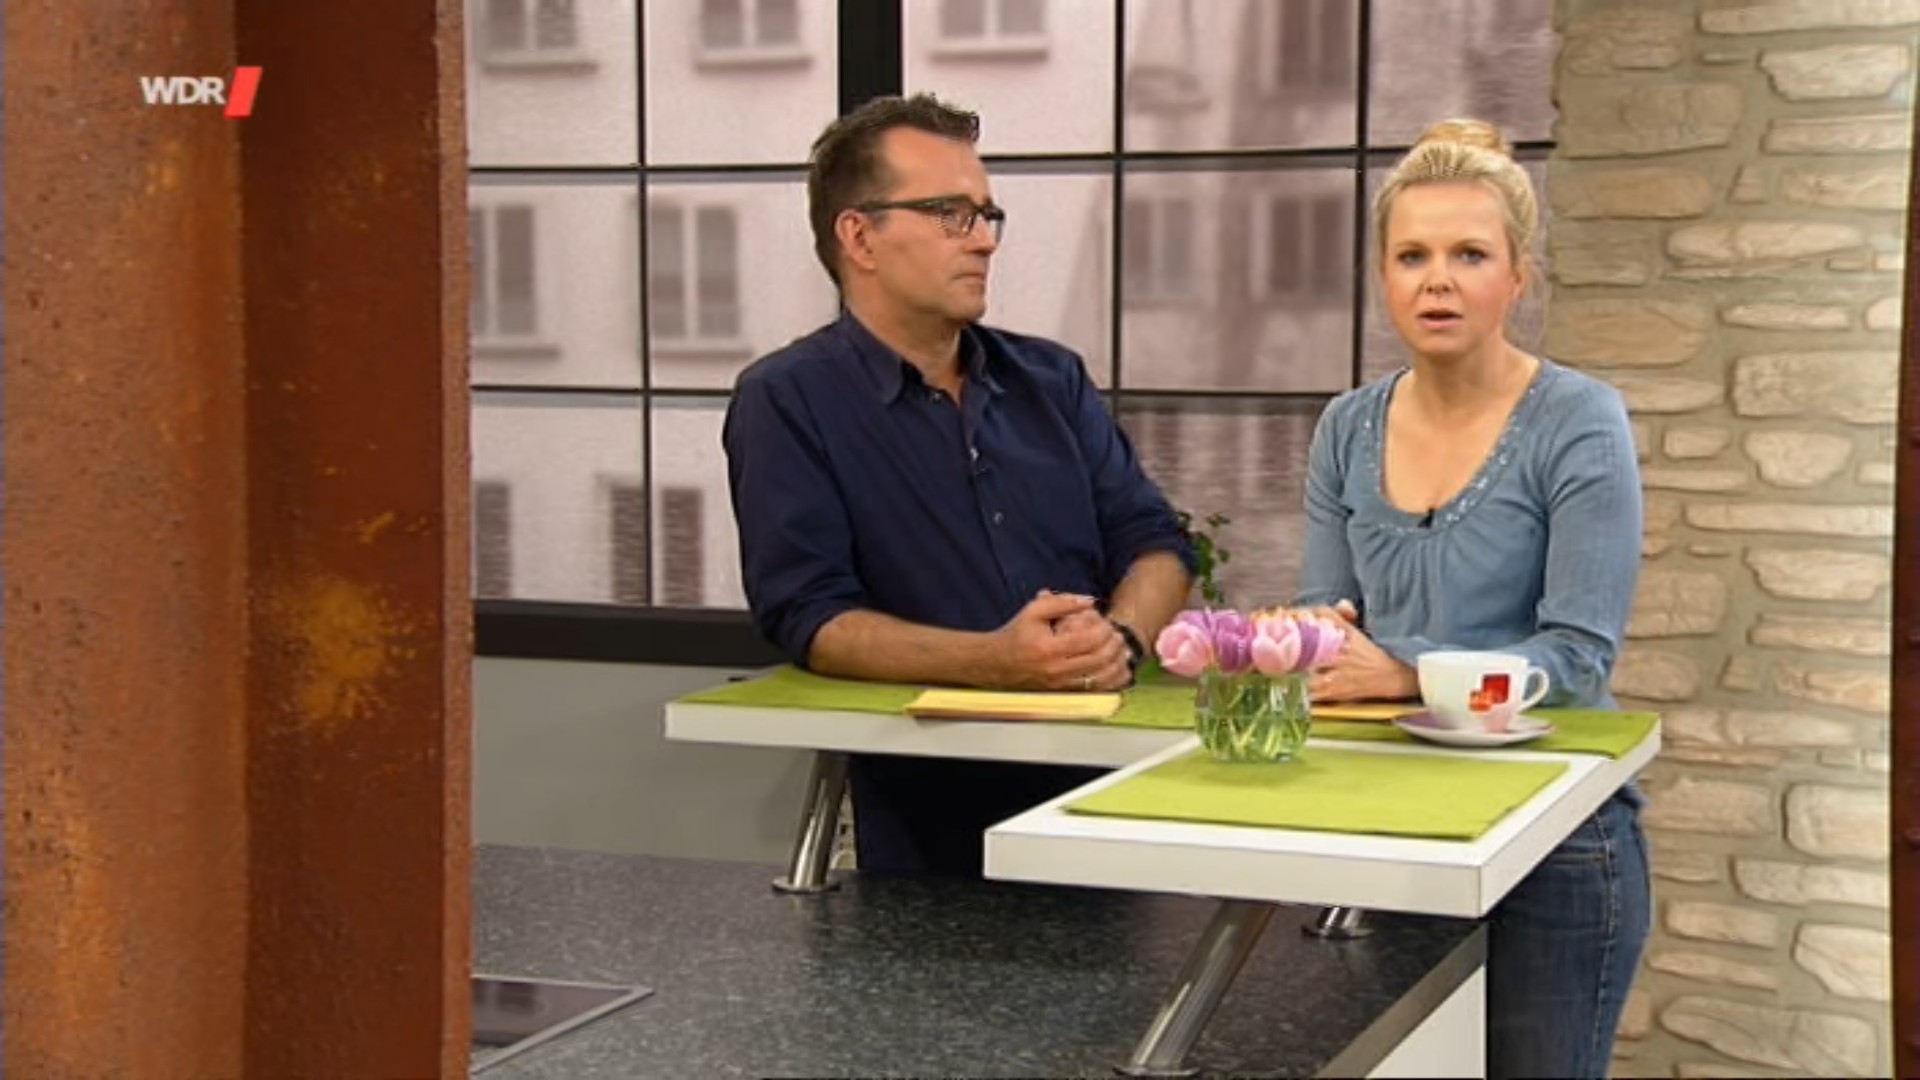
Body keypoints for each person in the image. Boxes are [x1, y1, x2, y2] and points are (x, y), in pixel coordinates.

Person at [722, 93, 1194, 878]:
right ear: (859, 237)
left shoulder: (1052, 379)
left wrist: (1117, 640)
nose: (983, 240)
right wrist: (994, 662)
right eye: (950, 214)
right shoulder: (788, 399)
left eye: (986, 214)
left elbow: (1156, 543)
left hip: (1105, 788)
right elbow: (808, 613)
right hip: (923, 816)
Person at [1296, 119, 1649, 1080]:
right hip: (1391, 825)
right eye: (1411, 256)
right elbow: (1329, 621)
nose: (1437, 282)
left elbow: (1576, 656)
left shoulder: (1579, 421)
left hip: (1554, 840)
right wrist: (1303, 646)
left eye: (1469, 255)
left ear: (1518, 277)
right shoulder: (1345, 427)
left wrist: (1405, 674)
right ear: (1382, 275)